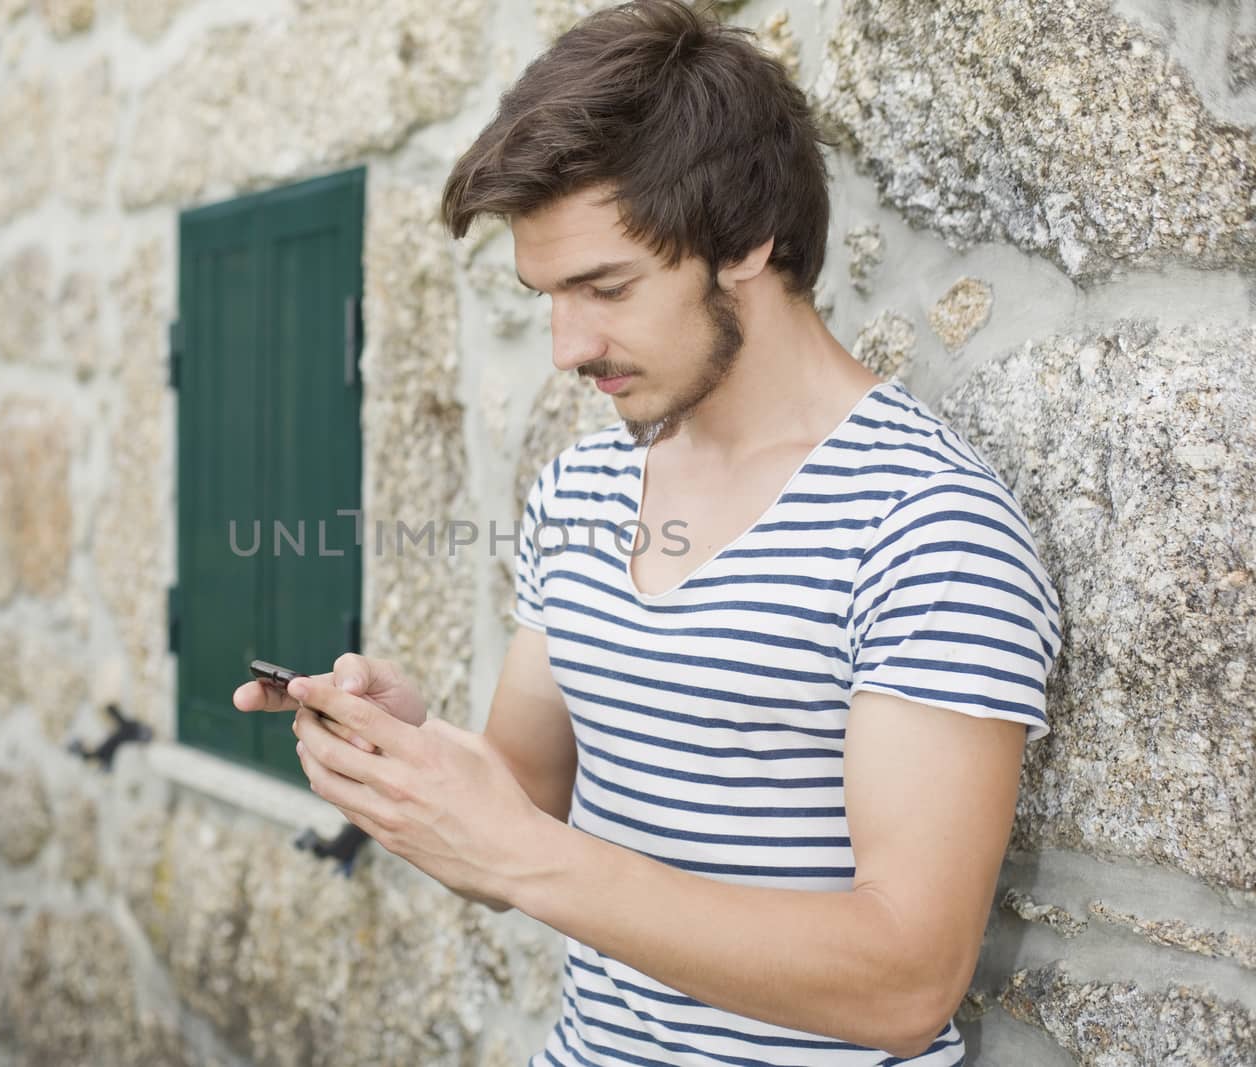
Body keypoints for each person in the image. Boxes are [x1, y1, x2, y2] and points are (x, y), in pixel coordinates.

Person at [233, 2, 1062, 1063]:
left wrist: (528, 854)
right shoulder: (577, 489)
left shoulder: (926, 526)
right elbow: (523, 804)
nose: (565, 346)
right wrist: (412, 750)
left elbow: (903, 978)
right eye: (545, 295)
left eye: (604, 286)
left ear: (748, 237)